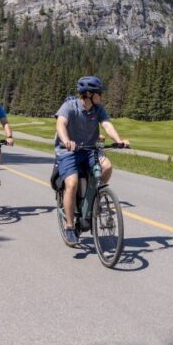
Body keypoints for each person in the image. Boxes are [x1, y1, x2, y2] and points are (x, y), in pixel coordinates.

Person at [54, 75, 129, 246]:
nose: (101, 96)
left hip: (89, 149)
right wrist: (66, 140)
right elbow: (60, 123)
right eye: (99, 93)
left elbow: (107, 124)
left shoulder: (98, 109)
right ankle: (70, 226)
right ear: (88, 93)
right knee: (71, 184)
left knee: (107, 167)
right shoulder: (69, 106)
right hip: (69, 151)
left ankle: (95, 197)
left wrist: (119, 140)